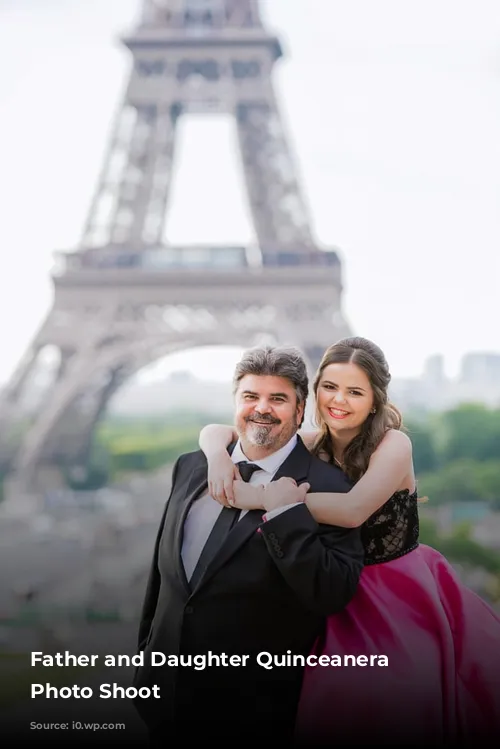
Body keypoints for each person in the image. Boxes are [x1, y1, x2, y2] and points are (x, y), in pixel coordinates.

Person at [200, 336, 500, 748]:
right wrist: (217, 457)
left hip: (393, 589)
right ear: (314, 390)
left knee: (394, 701)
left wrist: (268, 498)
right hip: (333, 580)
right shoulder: (313, 444)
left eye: (355, 392)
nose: (338, 400)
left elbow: (353, 510)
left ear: (376, 399)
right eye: (330, 387)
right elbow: (216, 430)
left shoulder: (394, 443)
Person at [133, 345, 364, 748]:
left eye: (278, 399)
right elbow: (165, 577)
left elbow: (331, 592)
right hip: (164, 698)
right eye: (251, 397)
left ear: (300, 408)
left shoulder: (331, 487)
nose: (262, 409)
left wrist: (285, 514)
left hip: (256, 712)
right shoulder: (192, 465)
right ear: (235, 402)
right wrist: (145, 656)